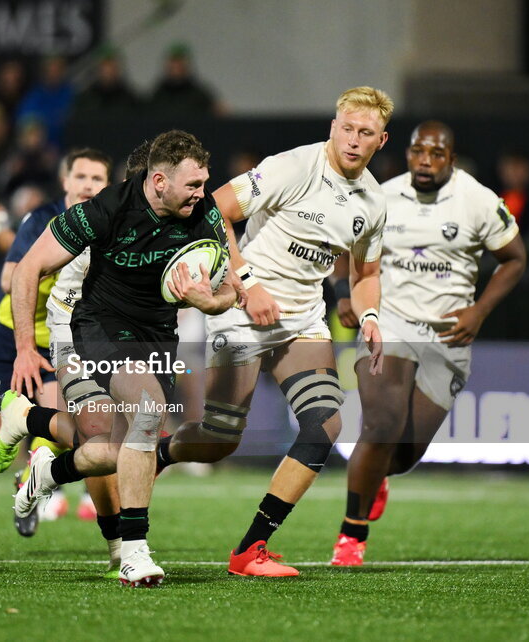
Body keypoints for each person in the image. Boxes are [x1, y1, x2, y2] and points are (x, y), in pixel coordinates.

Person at [154, 87, 394, 577]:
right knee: (221, 439)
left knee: (325, 424)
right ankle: (157, 453)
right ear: (333, 125)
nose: (352, 140)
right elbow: (213, 209)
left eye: (364, 133)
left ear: (381, 140)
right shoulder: (292, 167)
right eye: (346, 128)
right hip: (241, 306)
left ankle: (250, 549)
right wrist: (248, 283)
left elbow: (366, 274)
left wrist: (370, 317)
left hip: (302, 319)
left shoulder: (373, 202)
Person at [0, 130, 238, 587]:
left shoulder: (203, 212)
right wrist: (25, 348)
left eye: (204, 182)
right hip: (101, 327)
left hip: (159, 336)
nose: (203, 193)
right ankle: (133, 552)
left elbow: (227, 291)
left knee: (120, 447)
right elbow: (28, 268)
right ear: (159, 180)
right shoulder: (108, 208)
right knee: (147, 411)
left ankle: (50, 471)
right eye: (193, 184)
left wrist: (208, 303)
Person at [330, 121, 525, 566]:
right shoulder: (380, 195)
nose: (425, 161)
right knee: (381, 423)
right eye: (418, 152)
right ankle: (351, 536)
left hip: (447, 335)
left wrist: (479, 311)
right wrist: (345, 292)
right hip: (390, 322)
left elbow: (515, 259)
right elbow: (345, 246)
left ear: (451, 160)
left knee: (402, 455)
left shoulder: (478, 200)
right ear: (407, 153)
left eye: (436, 155)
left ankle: (379, 477)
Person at [0, 148, 113, 556]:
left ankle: (31, 481)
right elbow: (8, 277)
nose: (89, 185)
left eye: (98, 179)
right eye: (82, 177)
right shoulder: (41, 220)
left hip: (64, 339)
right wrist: (52, 265)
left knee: (59, 415)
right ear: (66, 181)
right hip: (14, 334)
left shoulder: (108, 225)